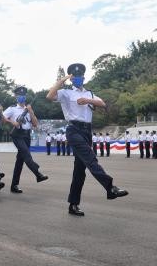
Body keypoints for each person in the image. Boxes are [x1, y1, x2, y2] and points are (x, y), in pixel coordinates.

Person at [47, 63, 128, 217]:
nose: (78, 78)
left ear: (84, 77)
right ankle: (110, 187)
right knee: (91, 159)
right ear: (71, 79)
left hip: (87, 132)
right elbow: (50, 96)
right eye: (75, 76)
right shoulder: (66, 93)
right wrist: (62, 80)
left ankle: (73, 204)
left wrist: (88, 100)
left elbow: (102, 103)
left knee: (79, 171)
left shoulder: (89, 93)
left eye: (80, 76)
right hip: (74, 130)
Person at [3, 86, 48, 194]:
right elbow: (2, 117)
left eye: (23, 95)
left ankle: (14, 185)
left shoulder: (28, 109)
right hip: (17, 134)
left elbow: (35, 124)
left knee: (20, 160)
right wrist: (13, 122)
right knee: (26, 154)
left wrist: (31, 111)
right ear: (16, 96)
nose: (21, 97)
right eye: (19, 95)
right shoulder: (12, 108)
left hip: (27, 135)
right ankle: (37, 173)